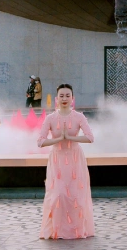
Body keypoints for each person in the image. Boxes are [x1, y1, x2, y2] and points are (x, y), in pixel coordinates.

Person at [38, 84, 95, 239]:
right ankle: (58, 230)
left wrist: (70, 138)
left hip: (75, 159)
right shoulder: (50, 118)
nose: (64, 99)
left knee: (76, 196)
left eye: (67, 95)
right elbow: (40, 141)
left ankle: (75, 230)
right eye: (61, 96)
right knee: (58, 195)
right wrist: (57, 139)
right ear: (57, 99)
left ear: (72, 98)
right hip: (57, 160)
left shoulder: (79, 117)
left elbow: (90, 137)